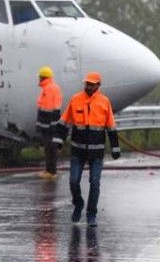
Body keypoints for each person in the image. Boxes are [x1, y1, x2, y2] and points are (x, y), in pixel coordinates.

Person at [54, 72, 120, 227]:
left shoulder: (104, 102)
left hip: (96, 152)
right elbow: (64, 122)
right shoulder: (76, 99)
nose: (89, 86)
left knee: (95, 183)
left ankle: (91, 214)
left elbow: (111, 126)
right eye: (87, 84)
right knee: (73, 181)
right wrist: (59, 140)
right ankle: (78, 203)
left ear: (98, 85)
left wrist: (115, 148)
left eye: (92, 84)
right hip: (78, 150)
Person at [35, 65, 63, 180]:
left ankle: (51, 172)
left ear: (43, 77)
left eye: (39, 77)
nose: (38, 79)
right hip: (52, 124)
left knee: (49, 148)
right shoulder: (53, 87)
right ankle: (50, 171)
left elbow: (48, 109)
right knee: (51, 148)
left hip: (48, 125)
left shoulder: (48, 89)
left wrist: (44, 127)